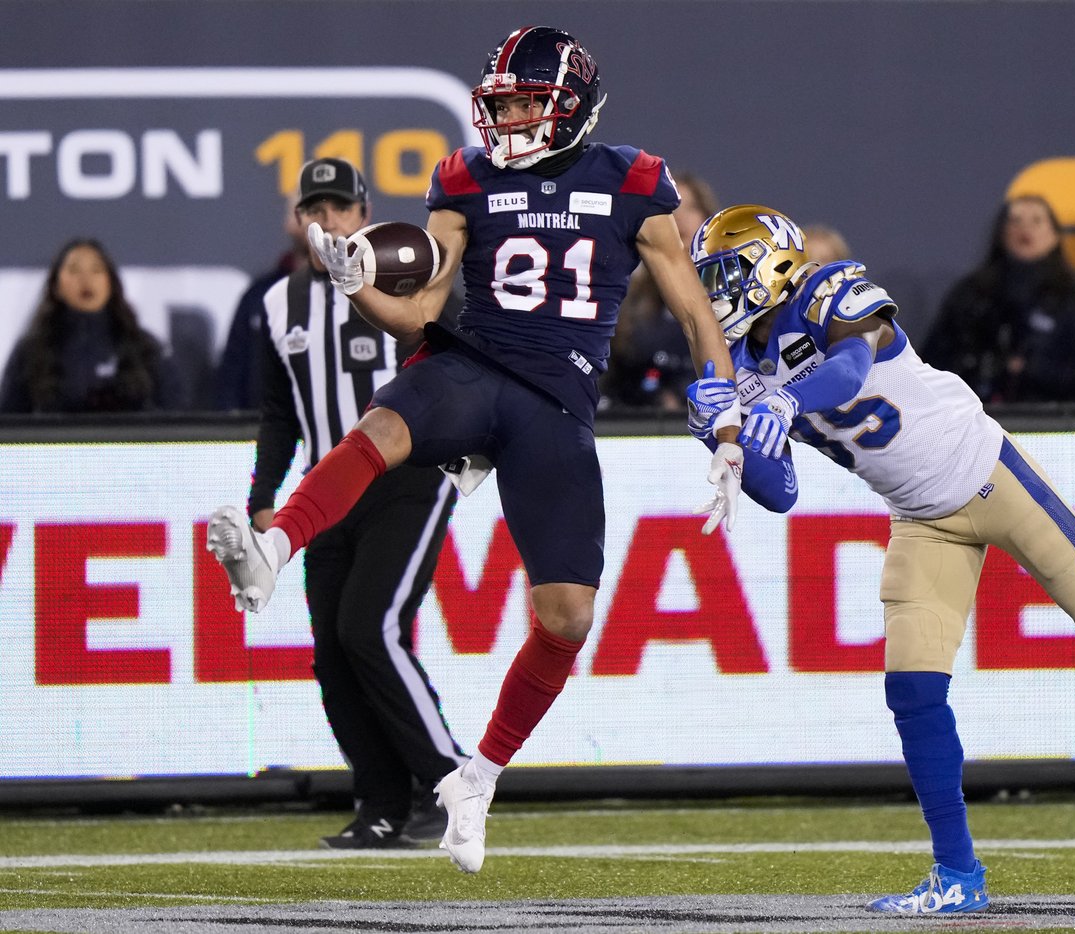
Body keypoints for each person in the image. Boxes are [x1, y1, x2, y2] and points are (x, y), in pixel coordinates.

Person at [685, 204, 1075, 915]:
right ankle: (957, 875)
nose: (711, 291)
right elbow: (780, 492)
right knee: (912, 689)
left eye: (722, 273)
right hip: (921, 518)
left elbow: (848, 365)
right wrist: (724, 439)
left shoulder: (826, 290)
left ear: (769, 264)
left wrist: (780, 400)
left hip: (989, 473)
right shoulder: (741, 367)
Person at [206, 26, 743, 874]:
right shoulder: (466, 176)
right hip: (473, 364)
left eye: (528, 102)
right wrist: (356, 287)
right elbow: (419, 313)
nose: (513, 117)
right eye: (504, 103)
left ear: (570, 105)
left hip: (556, 403)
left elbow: (693, 312)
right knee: (382, 428)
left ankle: (476, 778)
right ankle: (272, 549)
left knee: (568, 616)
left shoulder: (633, 179)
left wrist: (725, 422)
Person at [243, 157, 465, 850]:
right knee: (333, 655)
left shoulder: (403, 277)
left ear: (364, 213)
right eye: (315, 209)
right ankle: (380, 801)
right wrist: (263, 497)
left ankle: (449, 785)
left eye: (339, 208)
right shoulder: (280, 302)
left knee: (371, 627)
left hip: (406, 478)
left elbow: (455, 362)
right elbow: (280, 411)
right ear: (296, 219)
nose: (328, 221)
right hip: (323, 490)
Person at [921, 194, 1075, 403]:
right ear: (1001, 232)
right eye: (1016, 220)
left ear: (1055, 235)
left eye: (1037, 221)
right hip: (978, 418)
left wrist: (1033, 370)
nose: (1025, 229)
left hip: (1055, 423)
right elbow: (935, 360)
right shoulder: (972, 294)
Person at [0, 238, 183, 413]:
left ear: (111, 283)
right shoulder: (30, 352)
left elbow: (176, 419)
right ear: (55, 287)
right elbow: (9, 425)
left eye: (96, 270)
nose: (86, 279)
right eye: (74, 270)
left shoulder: (145, 348)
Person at [603, 171, 720, 410]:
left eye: (691, 207)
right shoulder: (628, 298)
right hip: (640, 429)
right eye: (671, 208)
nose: (679, 218)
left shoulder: (734, 295)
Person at [215, 192, 309, 411]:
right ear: (289, 222)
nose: (322, 222)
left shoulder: (367, 295)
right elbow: (231, 378)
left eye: (336, 210)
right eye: (308, 211)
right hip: (264, 430)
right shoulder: (260, 297)